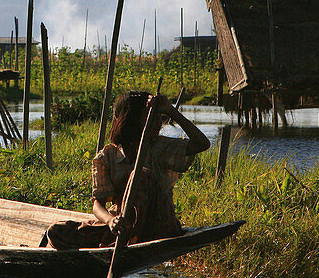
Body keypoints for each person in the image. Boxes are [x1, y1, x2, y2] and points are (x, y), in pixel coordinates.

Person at [44, 91, 210, 249]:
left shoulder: (159, 147)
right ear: (132, 118)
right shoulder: (106, 157)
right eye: (151, 115)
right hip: (121, 228)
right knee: (56, 231)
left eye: (159, 115)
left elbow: (202, 143)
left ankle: (123, 240)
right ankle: (119, 239)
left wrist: (171, 111)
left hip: (159, 227)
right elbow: (98, 205)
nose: (158, 121)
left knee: (140, 174)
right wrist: (110, 221)